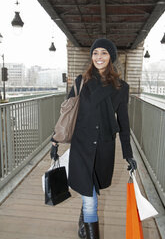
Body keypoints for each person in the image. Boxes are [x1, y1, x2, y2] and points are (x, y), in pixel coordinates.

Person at [51, 38, 137, 239]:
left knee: (90, 191)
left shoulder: (121, 88)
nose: (99, 57)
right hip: (81, 147)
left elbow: (124, 125)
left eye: (104, 53)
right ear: (92, 56)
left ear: (111, 57)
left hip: (104, 149)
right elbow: (67, 113)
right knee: (91, 200)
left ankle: (84, 218)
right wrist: (55, 140)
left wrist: (128, 154)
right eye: (95, 52)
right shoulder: (81, 81)